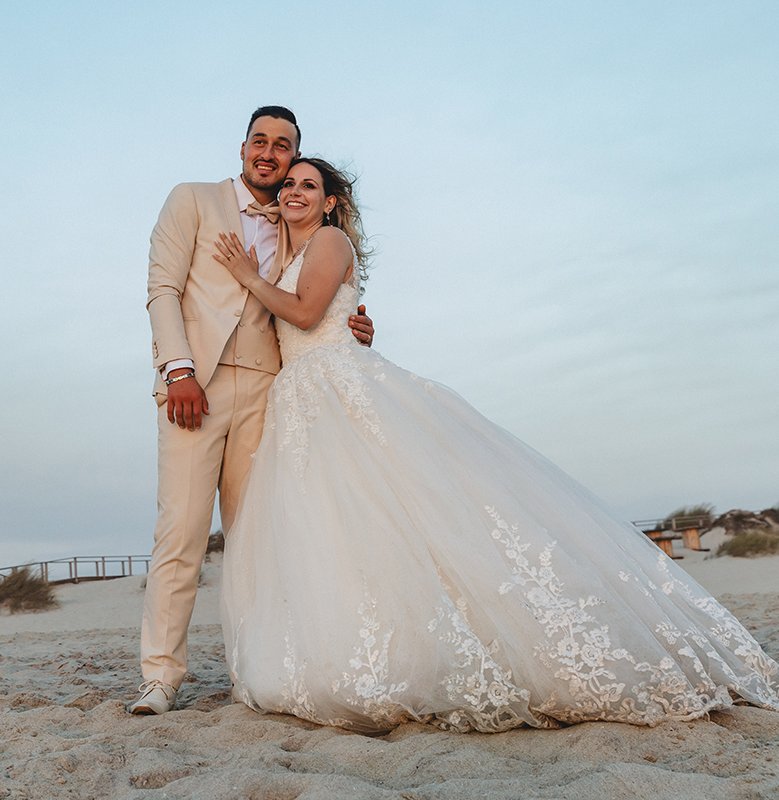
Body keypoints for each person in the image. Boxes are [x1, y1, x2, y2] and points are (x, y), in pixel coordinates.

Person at [214, 157, 779, 732]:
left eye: (309, 185)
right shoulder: (287, 254)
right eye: (289, 184)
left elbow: (307, 313)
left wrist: (248, 276)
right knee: (334, 527)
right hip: (302, 395)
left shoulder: (329, 241)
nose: (295, 191)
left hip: (335, 386)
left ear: (330, 201)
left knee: (402, 512)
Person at [134, 108, 376, 715]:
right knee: (181, 532)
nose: (269, 152)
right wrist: (179, 371)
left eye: (283, 145)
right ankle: (160, 676)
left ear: (294, 155)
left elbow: (315, 296)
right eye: (260, 141)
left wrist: (354, 325)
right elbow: (162, 289)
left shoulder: (299, 224)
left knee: (255, 539)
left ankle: (255, 670)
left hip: (271, 390)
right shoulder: (192, 199)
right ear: (242, 147)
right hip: (198, 387)